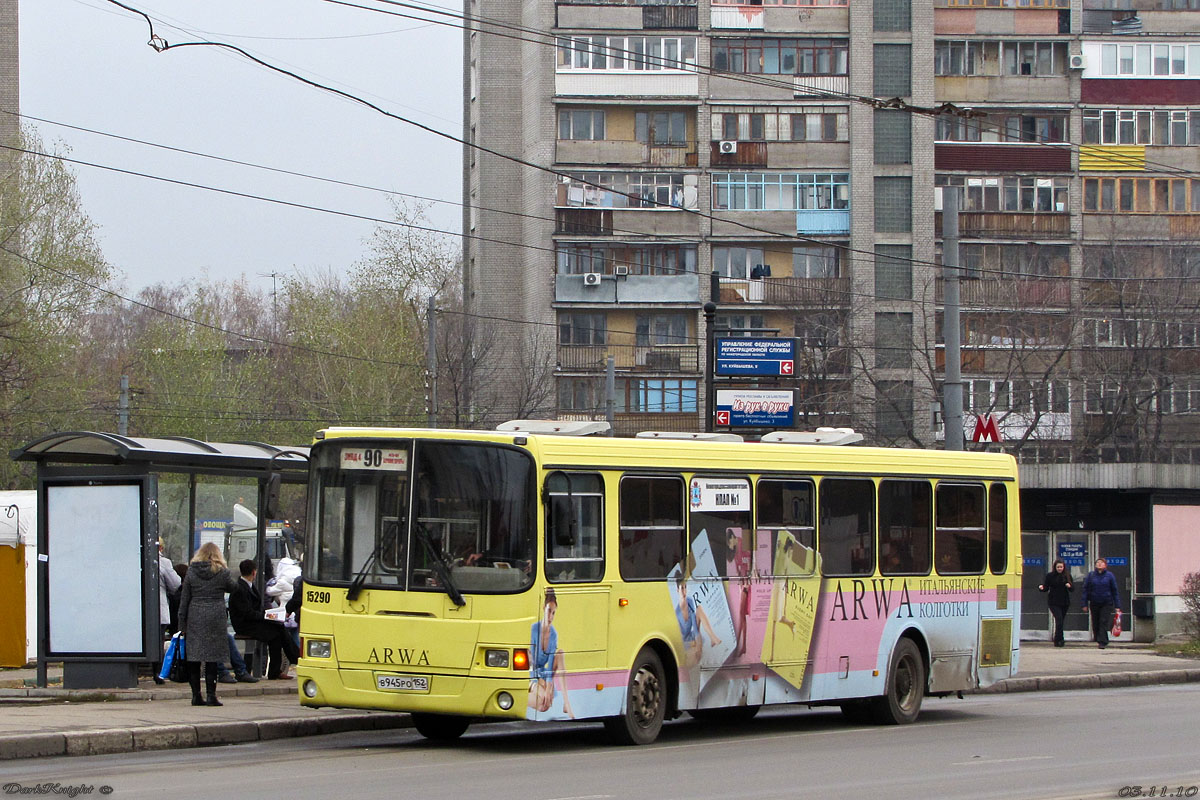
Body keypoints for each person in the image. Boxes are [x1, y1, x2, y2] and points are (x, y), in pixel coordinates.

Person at [178, 542, 237, 706]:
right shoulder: (222, 572)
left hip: (195, 615)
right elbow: (234, 587)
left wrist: (182, 624)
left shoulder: (191, 571)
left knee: (194, 658)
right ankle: (212, 695)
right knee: (212, 657)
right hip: (215, 616)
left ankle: (196, 695)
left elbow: (184, 600)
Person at [229, 559, 300, 679]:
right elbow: (247, 613)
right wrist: (265, 616)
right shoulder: (240, 588)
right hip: (245, 624)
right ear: (254, 572)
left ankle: (288, 661)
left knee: (279, 626)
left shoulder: (248, 585)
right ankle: (294, 658)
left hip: (253, 621)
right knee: (275, 634)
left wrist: (269, 615)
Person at [528, 588, 572, 718]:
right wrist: (539, 681)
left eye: (553, 613)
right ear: (543, 608)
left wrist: (547, 686)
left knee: (560, 653)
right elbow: (529, 661)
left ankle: (566, 702)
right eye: (549, 611)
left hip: (543, 674)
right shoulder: (533, 629)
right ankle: (515, 698)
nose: (550, 616)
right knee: (543, 703)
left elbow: (551, 661)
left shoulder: (553, 634)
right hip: (530, 674)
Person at [675, 573, 721, 670]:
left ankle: (713, 638)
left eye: (685, 587)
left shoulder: (690, 601)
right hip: (686, 641)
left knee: (699, 608)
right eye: (681, 588)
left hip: (693, 636)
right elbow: (680, 639)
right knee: (692, 657)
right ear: (677, 590)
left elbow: (695, 628)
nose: (684, 591)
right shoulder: (677, 613)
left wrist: (699, 645)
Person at [153, 539, 182, 684]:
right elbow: (176, 584)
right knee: (157, 641)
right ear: (161, 548)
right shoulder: (163, 562)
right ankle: (157, 673)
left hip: (137, 612)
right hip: (158, 609)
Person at [1082, 557, 1122, 649]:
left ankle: (1103, 641)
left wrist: (1117, 605)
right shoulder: (1091, 576)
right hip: (1094, 602)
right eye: (1098, 563)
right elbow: (1085, 590)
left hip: (1106, 602)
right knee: (1095, 622)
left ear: (1105, 565)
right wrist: (1084, 603)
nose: (1099, 564)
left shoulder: (1109, 576)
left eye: (1102, 563)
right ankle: (1098, 638)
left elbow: (1114, 591)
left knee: (1103, 621)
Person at [1038, 559, 1074, 647]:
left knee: (1061, 621)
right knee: (1059, 620)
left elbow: (1072, 589)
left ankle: (1057, 638)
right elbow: (1046, 587)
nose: (1059, 569)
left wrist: (1069, 586)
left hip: (1064, 602)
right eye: (1058, 567)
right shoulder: (1050, 576)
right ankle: (1059, 640)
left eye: (1061, 567)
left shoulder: (1067, 576)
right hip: (1053, 601)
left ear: (1064, 567)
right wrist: (1041, 588)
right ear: (1055, 567)